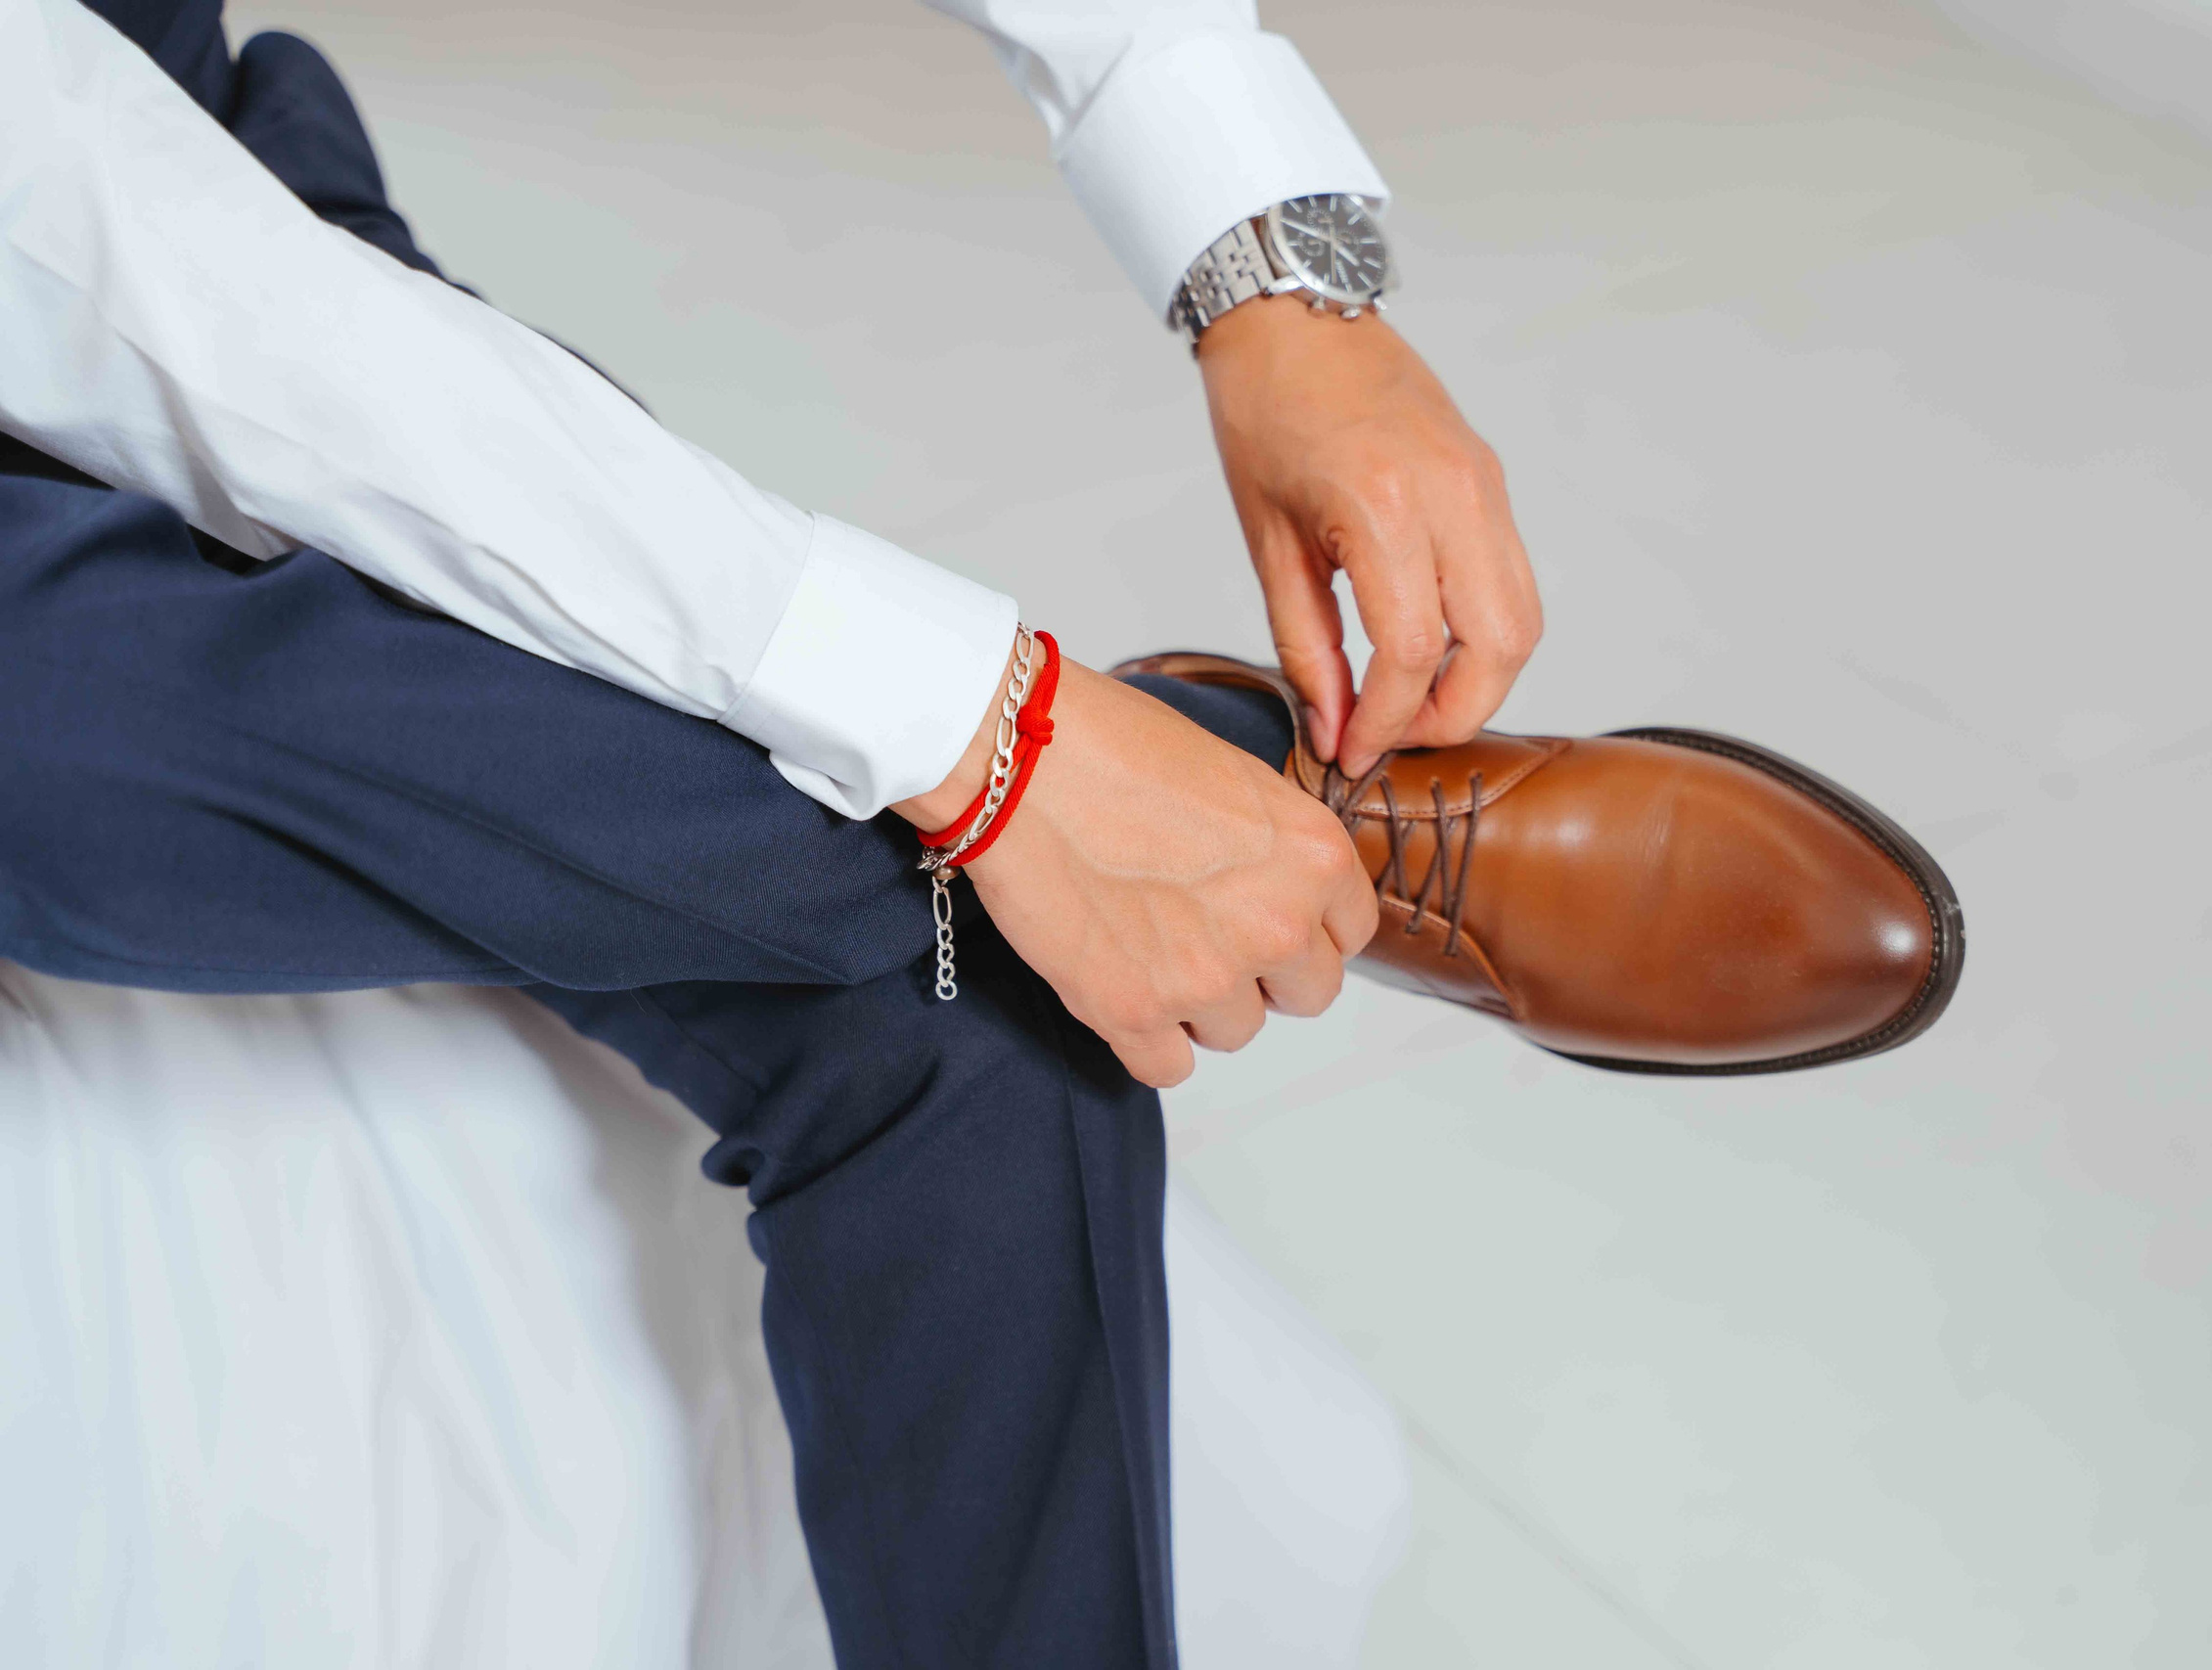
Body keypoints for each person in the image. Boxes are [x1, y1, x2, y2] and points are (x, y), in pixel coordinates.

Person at [0, 0, 1963, 1663]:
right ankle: (1271, 791)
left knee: (977, 1001)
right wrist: (993, 734)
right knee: (89, 723)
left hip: (221, 213)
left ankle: (1216, 795)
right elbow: (92, 238)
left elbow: (200, 248)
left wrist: (1269, 270)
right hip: (91, 289)